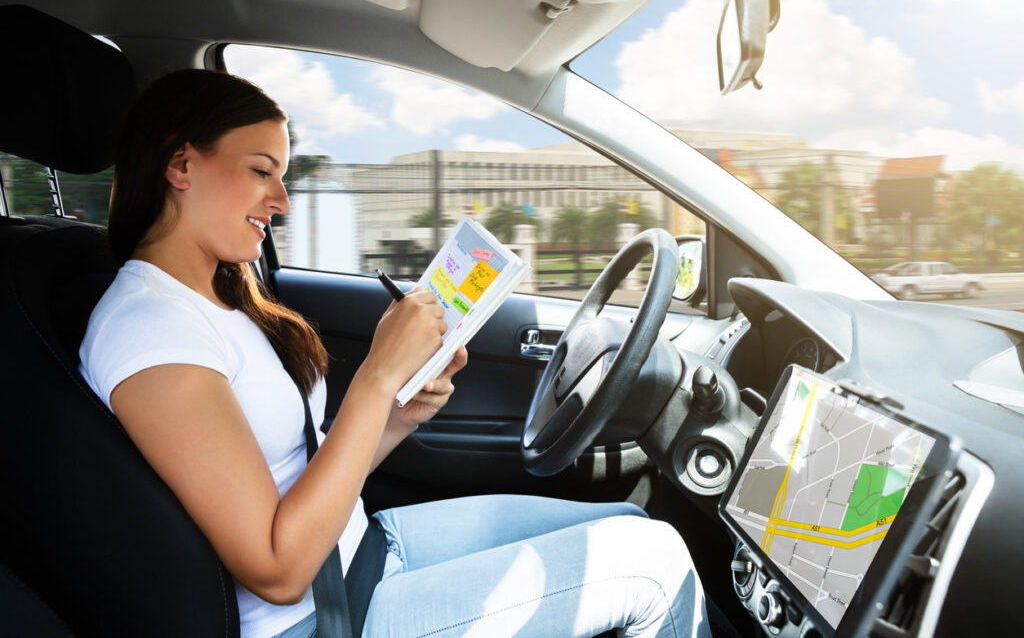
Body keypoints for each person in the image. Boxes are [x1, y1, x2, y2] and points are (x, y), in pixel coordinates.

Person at [79, 69, 709, 638]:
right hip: (321, 616)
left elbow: (299, 468)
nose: (283, 201)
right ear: (181, 165)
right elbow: (277, 572)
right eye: (260, 171)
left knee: (633, 525)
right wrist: (376, 380)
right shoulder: (148, 329)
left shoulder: (219, 295)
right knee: (656, 568)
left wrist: (398, 416)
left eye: (284, 176)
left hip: (360, 551)